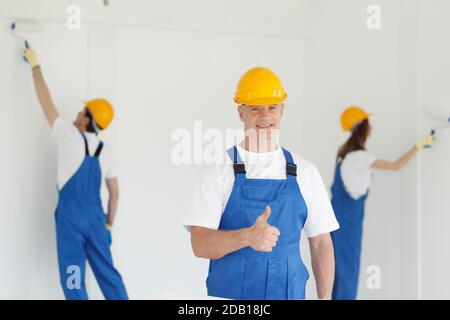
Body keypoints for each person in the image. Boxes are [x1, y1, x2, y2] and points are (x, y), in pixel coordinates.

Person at [183, 67, 340, 299]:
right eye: (255, 108)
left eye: (272, 107)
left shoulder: (305, 172)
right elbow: (199, 243)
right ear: (241, 113)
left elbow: (321, 243)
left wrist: (325, 297)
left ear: (282, 110)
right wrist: (247, 237)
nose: (265, 116)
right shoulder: (218, 171)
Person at [23, 45, 128, 300]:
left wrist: (35, 66)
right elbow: (114, 193)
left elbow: (44, 100)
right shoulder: (107, 150)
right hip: (96, 220)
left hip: (70, 219)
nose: (77, 113)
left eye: (82, 111)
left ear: (86, 119)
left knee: (73, 276)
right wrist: (108, 225)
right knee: (109, 275)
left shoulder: (68, 136)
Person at [331, 106, 434, 300]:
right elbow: (396, 166)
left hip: (335, 221)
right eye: (369, 124)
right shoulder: (360, 157)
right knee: (348, 273)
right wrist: (418, 146)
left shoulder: (343, 154)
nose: (371, 128)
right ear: (362, 127)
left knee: (336, 274)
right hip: (348, 225)